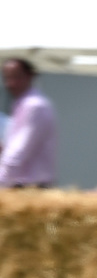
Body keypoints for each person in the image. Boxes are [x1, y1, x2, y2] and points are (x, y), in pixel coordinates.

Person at [1, 58, 57, 188]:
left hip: (29, 187)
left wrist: (1, 181)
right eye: (7, 78)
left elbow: (18, 153)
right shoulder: (21, 104)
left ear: (30, 76)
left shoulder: (35, 106)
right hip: (22, 185)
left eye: (16, 77)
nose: (10, 83)